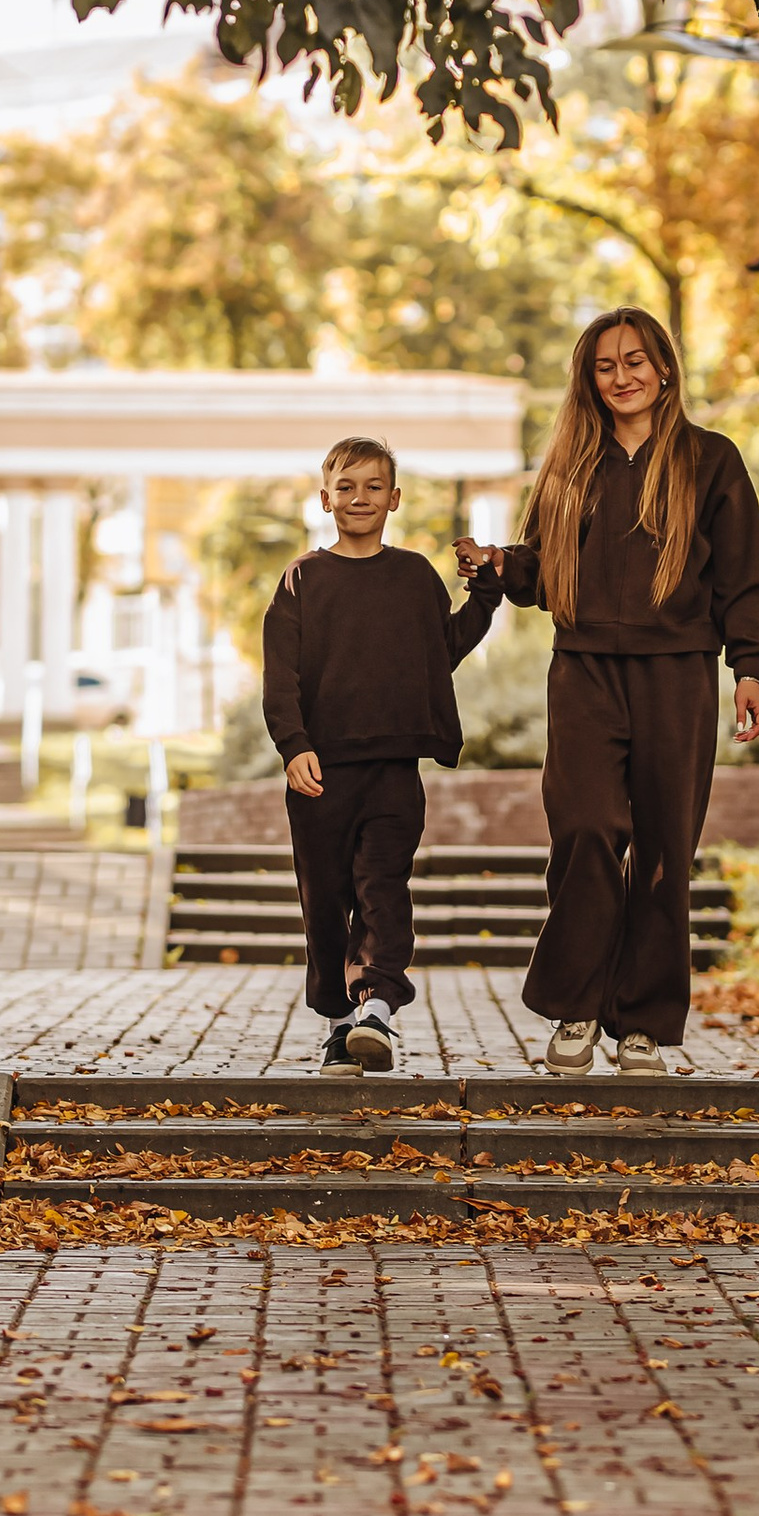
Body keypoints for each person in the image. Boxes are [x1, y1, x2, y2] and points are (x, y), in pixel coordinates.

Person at [458, 310, 759, 1075]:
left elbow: (743, 575)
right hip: (586, 672)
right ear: (588, 379)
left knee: (666, 849)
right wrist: (499, 563)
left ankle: (642, 1024)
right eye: (605, 365)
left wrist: (751, 668)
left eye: (636, 360)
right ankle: (578, 1004)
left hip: (680, 676)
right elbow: (543, 571)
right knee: (588, 829)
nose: (622, 375)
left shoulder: (711, 460)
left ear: (664, 368)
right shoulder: (570, 464)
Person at [262, 434, 502, 1071]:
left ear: (394, 499)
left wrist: (484, 593)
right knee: (325, 902)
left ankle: (376, 1004)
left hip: (395, 770)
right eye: (346, 487)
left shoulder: (413, 575)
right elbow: (279, 674)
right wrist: (293, 746)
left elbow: (440, 651)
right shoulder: (303, 579)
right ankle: (340, 1021)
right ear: (325, 499)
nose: (360, 497)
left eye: (373, 486)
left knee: (382, 888)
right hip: (319, 774)